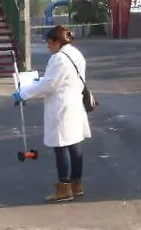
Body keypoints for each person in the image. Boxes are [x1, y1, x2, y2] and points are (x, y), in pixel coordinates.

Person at [15, 25, 92, 203]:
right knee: (74, 144)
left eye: (49, 43)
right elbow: (57, 80)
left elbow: (50, 85)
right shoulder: (76, 54)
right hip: (73, 103)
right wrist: (39, 83)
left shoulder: (58, 59)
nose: (48, 46)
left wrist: (24, 92)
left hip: (61, 107)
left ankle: (64, 188)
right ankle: (76, 184)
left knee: (61, 146)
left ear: (57, 42)